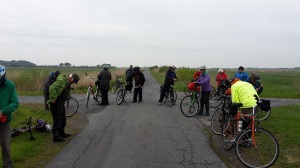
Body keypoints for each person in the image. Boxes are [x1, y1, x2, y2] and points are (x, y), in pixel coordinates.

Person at [47, 73, 80, 142]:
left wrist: (67, 96)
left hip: (61, 103)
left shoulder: (67, 83)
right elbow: (51, 88)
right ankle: (56, 137)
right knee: (57, 120)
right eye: (73, 81)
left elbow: (64, 91)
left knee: (63, 119)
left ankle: (61, 133)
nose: (73, 83)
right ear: (71, 78)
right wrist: (53, 98)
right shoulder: (61, 80)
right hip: (55, 103)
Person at [0, 65, 19, 167]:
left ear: (3, 76)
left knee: (5, 144)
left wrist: (3, 111)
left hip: (4, 120)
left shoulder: (10, 85)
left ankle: (7, 164)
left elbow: (15, 102)